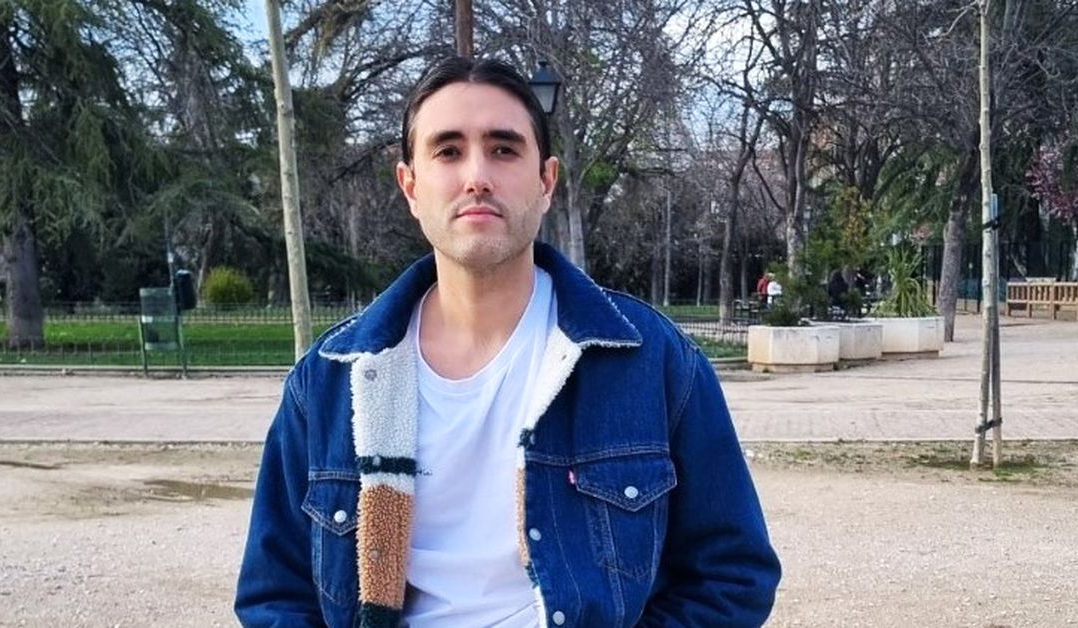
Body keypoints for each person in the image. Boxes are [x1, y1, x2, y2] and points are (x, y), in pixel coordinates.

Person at [235, 56, 780, 628]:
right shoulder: (329, 379)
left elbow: (732, 574)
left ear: (546, 181)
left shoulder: (651, 360)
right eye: (448, 151)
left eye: (503, 149)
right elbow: (275, 596)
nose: (477, 176)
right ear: (410, 186)